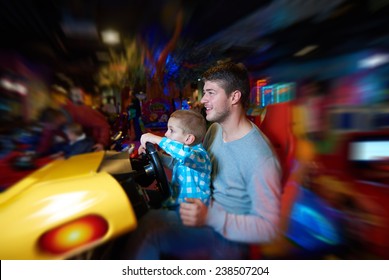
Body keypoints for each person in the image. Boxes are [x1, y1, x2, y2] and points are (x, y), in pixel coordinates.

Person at [120, 62, 281, 260]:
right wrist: (161, 159)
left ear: (234, 97)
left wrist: (211, 217)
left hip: (224, 239)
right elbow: (198, 166)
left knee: (151, 227)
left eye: (211, 93)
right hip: (200, 210)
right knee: (137, 208)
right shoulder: (215, 129)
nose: (203, 99)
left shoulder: (260, 156)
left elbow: (269, 228)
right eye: (204, 92)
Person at [138, 109, 211, 210]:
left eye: (171, 130)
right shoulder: (184, 156)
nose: (166, 134)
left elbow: (185, 154)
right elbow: (174, 163)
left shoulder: (199, 156)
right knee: (141, 198)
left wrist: (156, 139)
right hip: (177, 201)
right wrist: (156, 155)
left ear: (188, 139)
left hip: (192, 213)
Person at [49, 84, 111, 151]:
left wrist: (101, 143)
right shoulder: (59, 113)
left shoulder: (80, 111)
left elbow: (103, 125)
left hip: (93, 147)